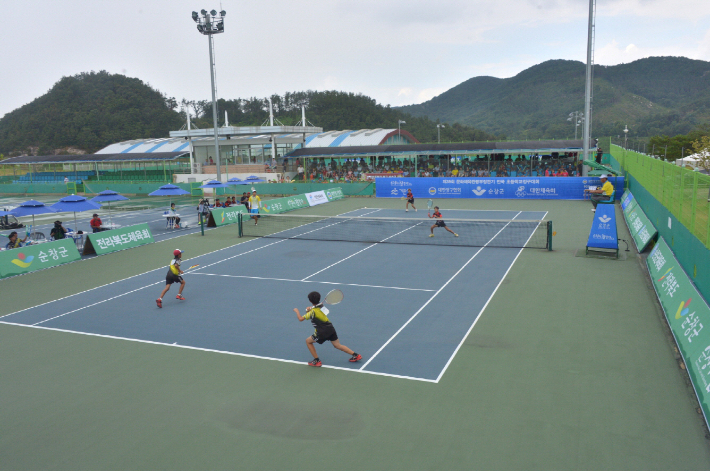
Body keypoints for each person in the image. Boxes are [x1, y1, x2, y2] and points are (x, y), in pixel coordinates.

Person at [293, 291, 361, 367]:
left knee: (308, 341)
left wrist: (297, 311)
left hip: (322, 331)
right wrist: (310, 309)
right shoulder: (321, 306)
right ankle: (356, 355)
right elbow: (321, 311)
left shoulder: (312, 312)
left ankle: (317, 361)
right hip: (330, 328)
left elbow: (300, 319)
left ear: (310, 301)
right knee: (337, 345)